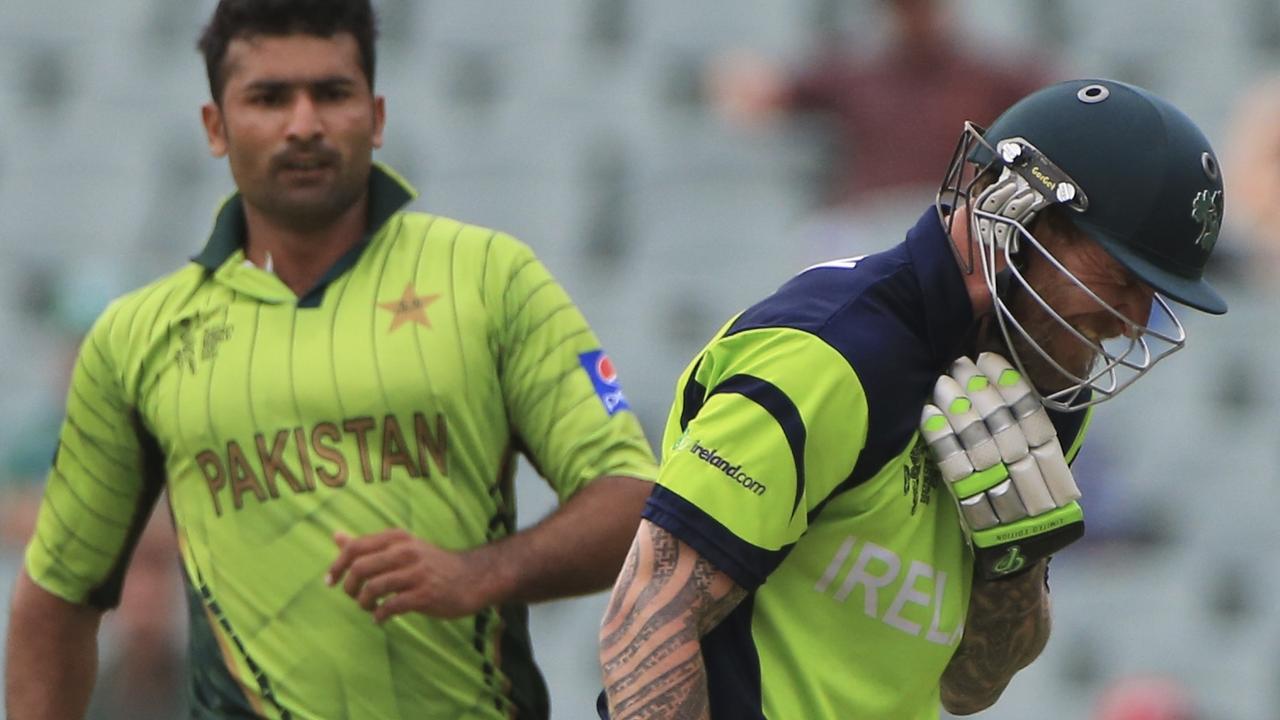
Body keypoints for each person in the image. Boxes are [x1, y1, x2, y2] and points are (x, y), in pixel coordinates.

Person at [4, 1, 657, 718]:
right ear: (215, 127)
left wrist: (480, 574)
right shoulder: (140, 338)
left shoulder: (488, 278)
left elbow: (632, 499)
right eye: (269, 97)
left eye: (332, 93)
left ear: (376, 117)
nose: (304, 123)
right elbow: (57, 596)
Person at [599, 78, 1227, 719]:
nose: (1135, 319)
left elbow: (968, 688)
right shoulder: (829, 352)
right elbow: (646, 622)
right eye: (1122, 277)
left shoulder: (1048, 384)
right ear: (1016, 216)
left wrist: (1013, 566)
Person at [709, 0, 1051, 261]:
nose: (914, 15)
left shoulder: (992, 75)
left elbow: (1056, 103)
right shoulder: (854, 73)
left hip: (954, 218)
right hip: (868, 219)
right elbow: (763, 94)